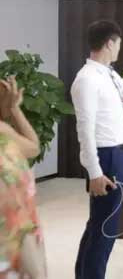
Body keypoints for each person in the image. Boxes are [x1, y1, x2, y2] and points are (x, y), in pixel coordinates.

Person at [71, 20, 123, 279]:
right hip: (105, 157)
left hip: (116, 155)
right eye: (118, 43)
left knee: (99, 224)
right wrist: (95, 173)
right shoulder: (87, 79)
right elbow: (85, 130)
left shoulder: (108, 74)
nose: (119, 48)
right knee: (106, 227)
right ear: (109, 43)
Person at [0, 76, 47, 279]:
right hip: (13, 232)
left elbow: (33, 148)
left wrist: (15, 109)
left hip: (21, 227)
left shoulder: (4, 132)